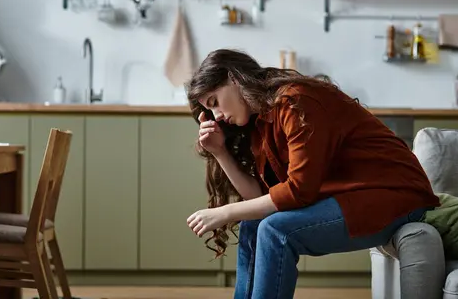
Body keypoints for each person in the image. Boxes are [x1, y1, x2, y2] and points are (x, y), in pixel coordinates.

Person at [184, 48, 439, 299]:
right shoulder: (260, 121)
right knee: (254, 223)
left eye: (215, 102)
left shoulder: (295, 100)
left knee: (275, 230)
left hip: (396, 195)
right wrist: (220, 153)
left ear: (234, 78)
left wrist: (225, 212)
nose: (216, 116)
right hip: (355, 196)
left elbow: (297, 192)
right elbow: (261, 199)